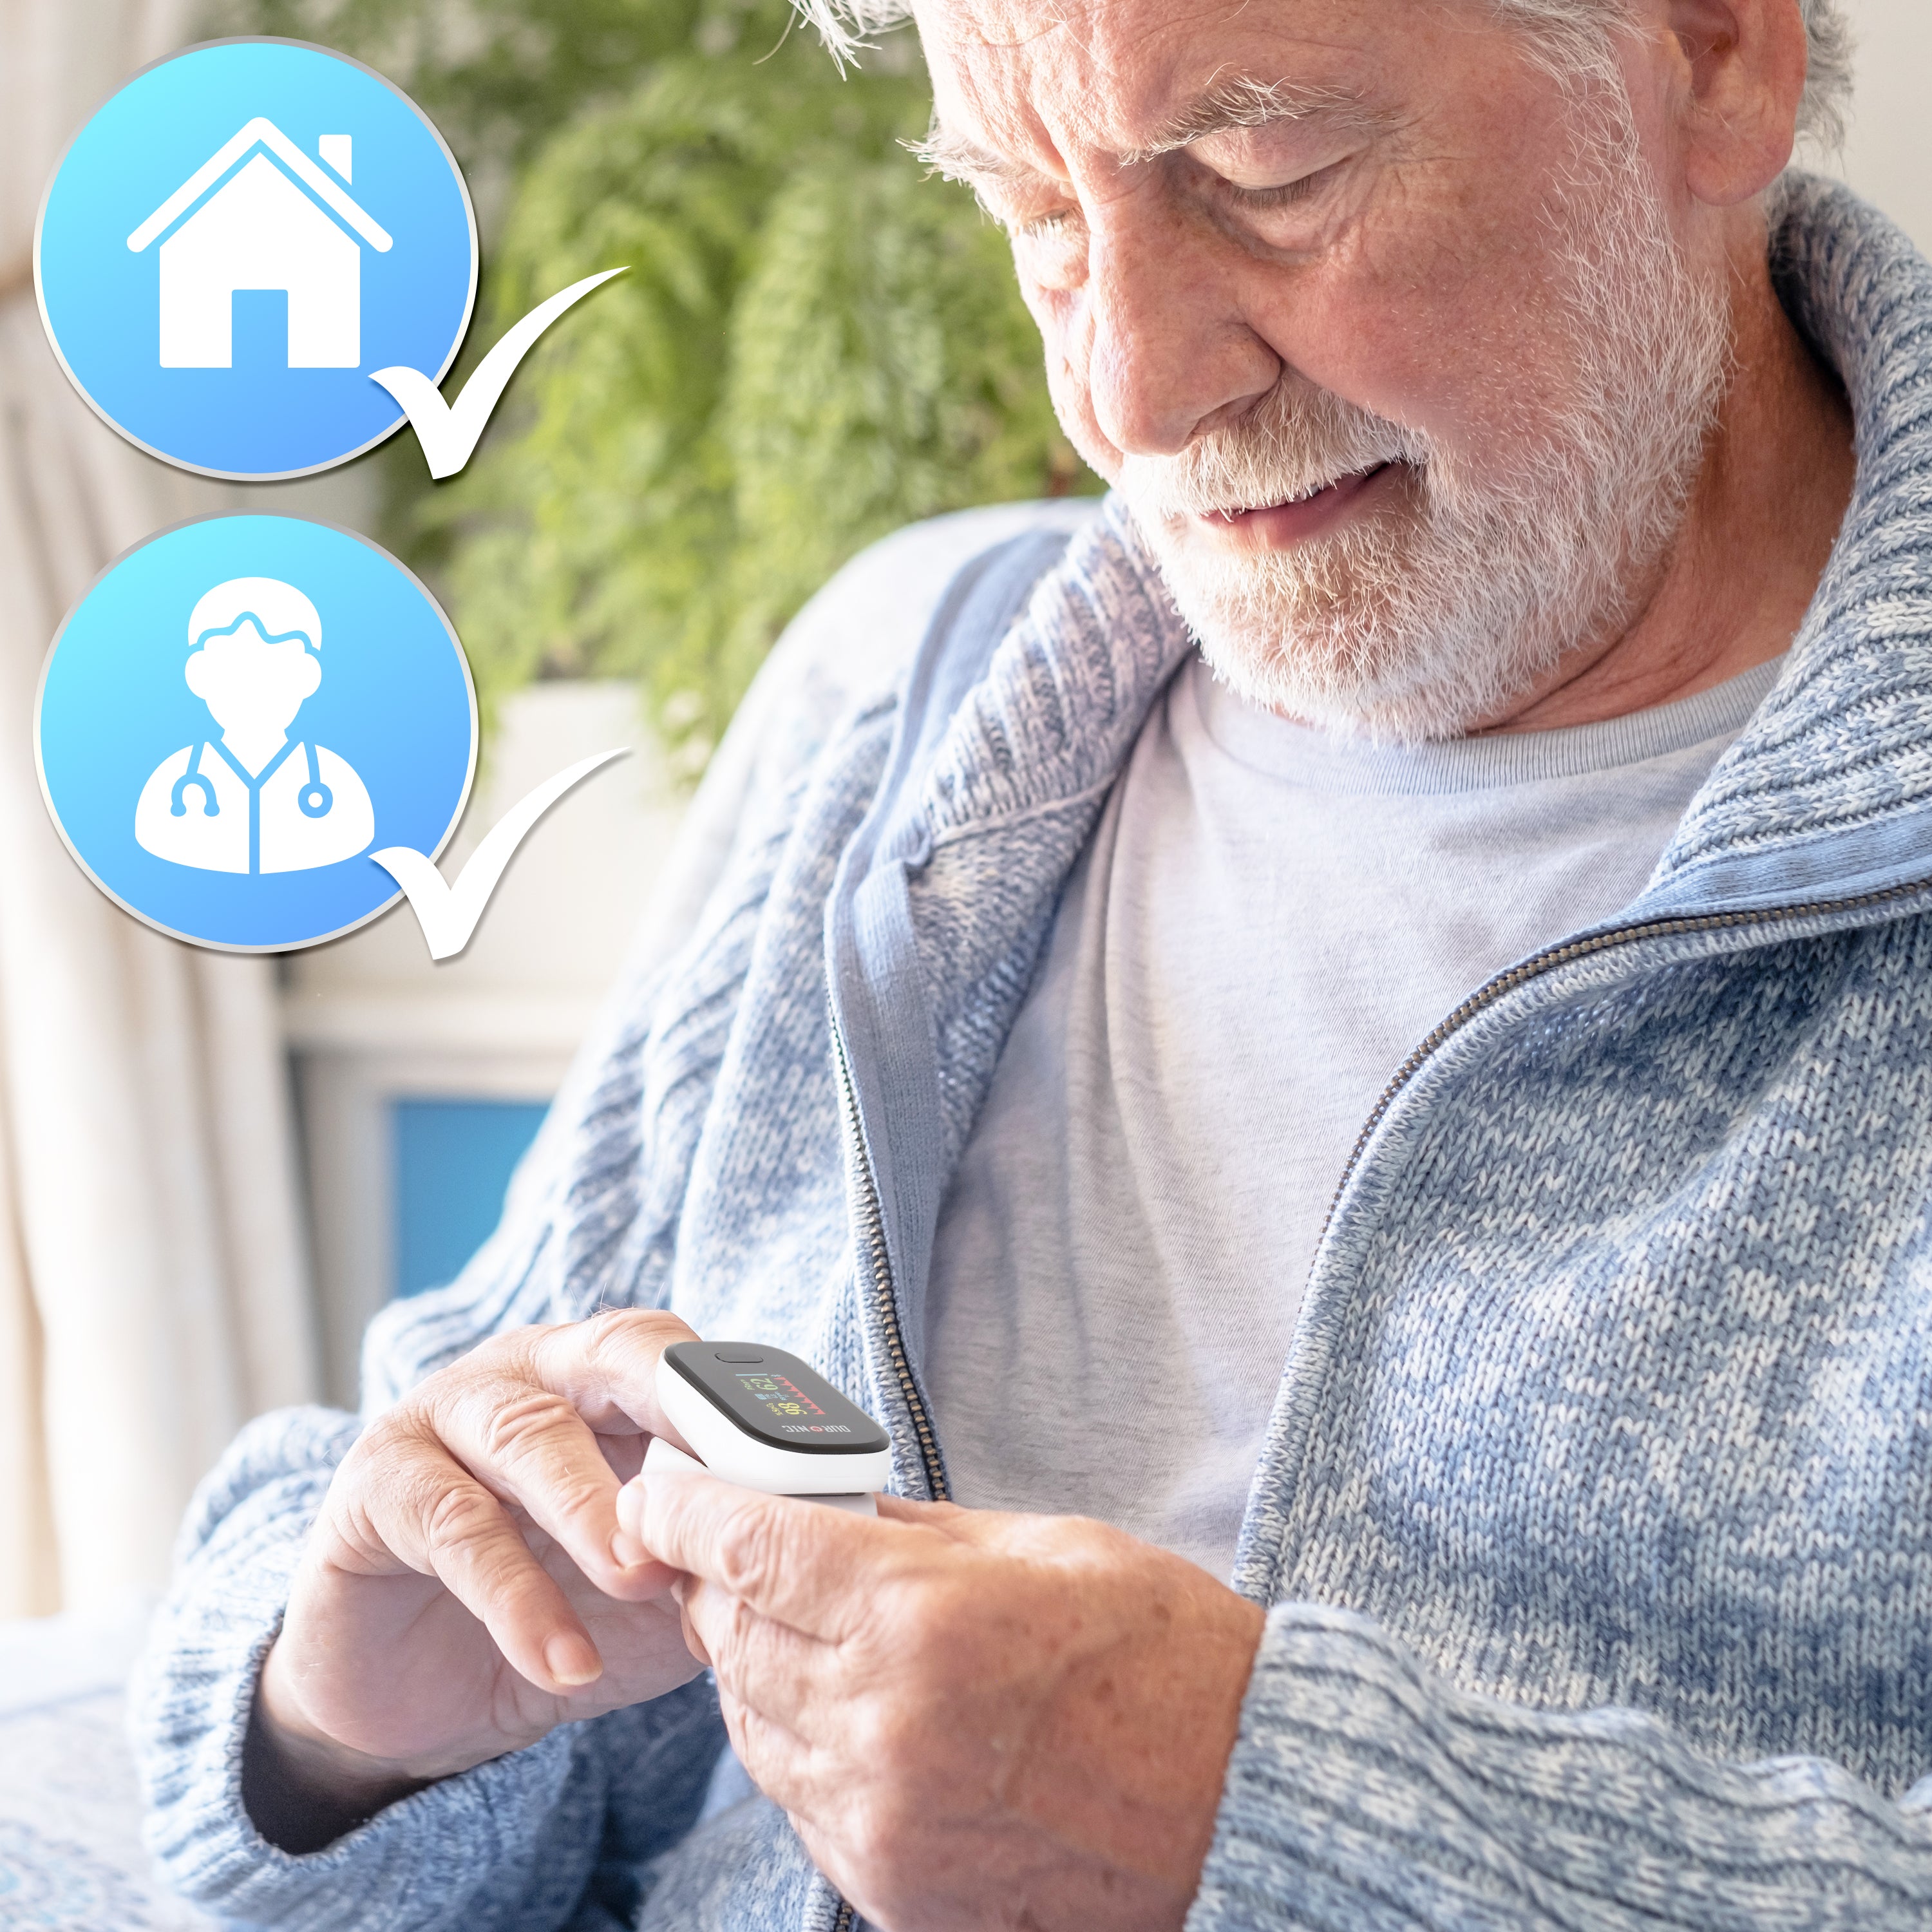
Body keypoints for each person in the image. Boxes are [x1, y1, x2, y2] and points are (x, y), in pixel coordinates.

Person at [135, 0, 1932, 1926]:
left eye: (1270, 174)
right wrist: (341, 1728)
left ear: (1714, 49)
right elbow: (379, 1546)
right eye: (1035, 212)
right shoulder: (908, 692)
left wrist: (1265, 1830)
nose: (1130, 394)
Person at [134, 576, 375, 876]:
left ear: (310, 677)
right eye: (232, 665)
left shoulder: (340, 785)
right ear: (196, 676)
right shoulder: (168, 785)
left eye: (275, 666)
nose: (252, 683)